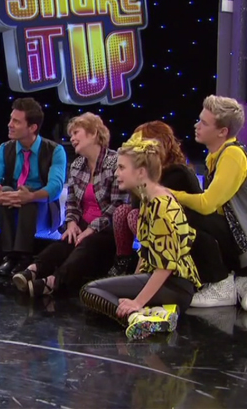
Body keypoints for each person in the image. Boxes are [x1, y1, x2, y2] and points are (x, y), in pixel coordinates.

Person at [170, 95, 247, 311]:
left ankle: (222, 285)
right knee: (193, 218)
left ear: (222, 131)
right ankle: (243, 281)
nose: (197, 126)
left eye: (204, 122)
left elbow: (207, 205)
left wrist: (170, 194)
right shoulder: (216, 156)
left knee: (188, 215)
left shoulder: (232, 155)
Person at [80, 132, 202, 341]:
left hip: (174, 284)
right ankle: (155, 313)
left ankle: (139, 317)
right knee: (97, 296)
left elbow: (166, 266)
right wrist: (134, 284)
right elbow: (147, 252)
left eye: (121, 168)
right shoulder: (149, 198)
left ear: (141, 172)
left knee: (90, 291)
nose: (116, 173)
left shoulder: (161, 205)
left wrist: (138, 302)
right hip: (165, 280)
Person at [11, 113, 126, 297]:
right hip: (83, 224)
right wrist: (72, 223)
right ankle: (32, 270)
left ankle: (53, 282)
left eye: (76, 133)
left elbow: (118, 206)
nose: (71, 138)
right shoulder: (77, 165)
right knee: (64, 243)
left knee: (85, 246)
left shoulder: (115, 162)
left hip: (107, 229)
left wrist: (91, 229)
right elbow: (71, 201)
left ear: (93, 133)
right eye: (71, 134)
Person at [111, 122, 233, 289]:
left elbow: (187, 214)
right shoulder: (145, 175)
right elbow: (138, 205)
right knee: (125, 211)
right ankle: (124, 263)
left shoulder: (178, 173)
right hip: (165, 232)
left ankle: (154, 271)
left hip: (186, 234)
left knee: (138, 216)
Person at [0, 98, 67, 276]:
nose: (10, 125)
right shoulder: (4, 149)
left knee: (28, 197)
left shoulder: (55, 150)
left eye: (16, 121)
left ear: (32, 127)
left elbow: (55, 187)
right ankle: (10, 256)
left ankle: (24, 256)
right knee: (5, 192)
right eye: (11, 119)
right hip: (12, 204)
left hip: (42, 207)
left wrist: (31, 196)